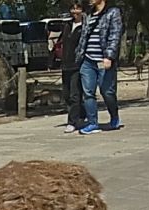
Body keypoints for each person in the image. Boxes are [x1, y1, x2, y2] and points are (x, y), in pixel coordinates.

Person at [75, 0, 123, 135]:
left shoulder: (113, 12)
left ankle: (114, 115)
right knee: (88, 92)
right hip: (88, 59)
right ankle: (92, 123)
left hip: (103, 59)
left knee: (107, 91)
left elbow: (115, 35)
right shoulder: (88, 15)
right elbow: (84, 36)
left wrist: (109, 56)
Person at [61, 2, 85, 133]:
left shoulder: (85, 26)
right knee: (66, 94)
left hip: (78, 64)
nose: (75, 11)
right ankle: (82, 114)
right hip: (65, 63)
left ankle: (73, 121)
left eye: (78, 8)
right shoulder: (67, 25)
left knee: (75, 94)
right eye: (73, 8)